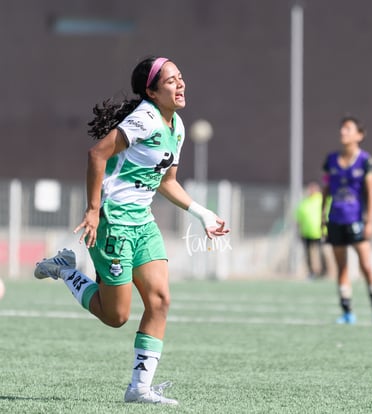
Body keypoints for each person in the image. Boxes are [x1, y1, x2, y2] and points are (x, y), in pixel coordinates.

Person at [34, 56, 230, 405]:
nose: (180, 84)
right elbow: (97, 155)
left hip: (143, 224)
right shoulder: (144, 119)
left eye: (181, 78)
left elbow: (167, 181)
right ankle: (65, 269)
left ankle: (139, 389)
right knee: (116, 316)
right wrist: (93, 211)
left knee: (160, 300)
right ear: (152, 91)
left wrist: (202, 214)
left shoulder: (177, 126)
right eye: (171, 81)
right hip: (114, 224)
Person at [321, 115, 372, 325]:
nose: (343, 132)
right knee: (341, 268)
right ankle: (347, 312)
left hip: (356, 220)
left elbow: (371, 193)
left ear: (359, 135)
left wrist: (369, 221)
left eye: (348, 129)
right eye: (342, 128)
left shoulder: (365, 161)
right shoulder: (331, 160)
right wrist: (323, 217)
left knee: (366, 266)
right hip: (335, 220)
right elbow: (326, 189)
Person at [295, 181, 328, 279]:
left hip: (320, 231)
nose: (311, 190)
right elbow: (299, 217)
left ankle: (324, 272)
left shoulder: (322, 199)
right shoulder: (304, 202)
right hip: (307, 232)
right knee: (309, 254)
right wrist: (299, 230)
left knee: (322, 252)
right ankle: (312, 272)